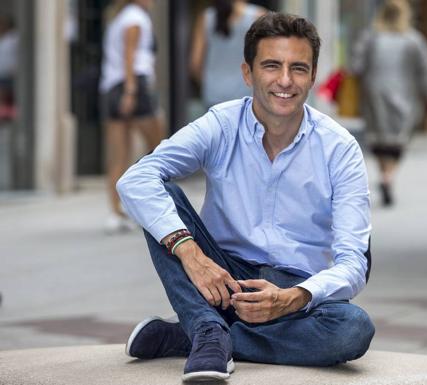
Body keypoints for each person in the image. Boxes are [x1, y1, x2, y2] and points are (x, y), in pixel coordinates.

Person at [117, 12, 374, 382]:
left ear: (313, 77)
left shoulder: (340, 149)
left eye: (298, 68)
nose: (285, 81)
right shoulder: (221, 124)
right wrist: (190, 253)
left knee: (353, 328)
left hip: (296, 290)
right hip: (222, 277)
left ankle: (196, 333)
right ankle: (207, 328)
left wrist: (294, 297)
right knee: (162, 198)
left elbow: (354, 264)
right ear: (248, 73)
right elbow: (136, 179)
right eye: (272, 66)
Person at [352, 0, 427, 207]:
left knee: (379, 138)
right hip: (404, 94)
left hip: (373, 92)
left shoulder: (370, 36)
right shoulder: (413, 39)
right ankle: (389, 176)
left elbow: (356, 65)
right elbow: (426, 69)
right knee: (399, 138)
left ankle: (384, 174)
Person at [100, 0, 166, 233]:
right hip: (132, 85)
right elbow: (130, 55)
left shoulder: (119, 17)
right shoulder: (135, 18)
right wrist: (130, 91)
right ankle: (156, 205)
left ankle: (116, 211)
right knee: (159, 148)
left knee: (119, 153)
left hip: (111, 85)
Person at [189, 0, 265, 108]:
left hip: (213, 95)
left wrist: (209, 83)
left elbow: (195, 63)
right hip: (245, 94)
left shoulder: (206, 17)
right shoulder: (257, 16)